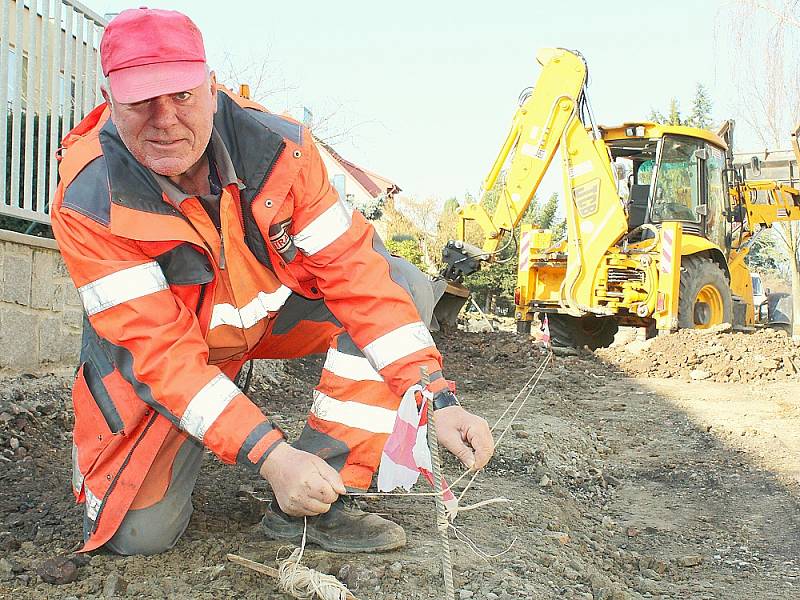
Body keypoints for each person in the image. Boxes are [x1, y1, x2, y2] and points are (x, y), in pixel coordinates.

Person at [51, 7, 494, 556]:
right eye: (142, 100)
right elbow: (163, 357)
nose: (164, 119)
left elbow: (359, 280)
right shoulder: (91, 199)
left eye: (182, 96)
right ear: (109, 98)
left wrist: (437, 397)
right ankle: (114, 453)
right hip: (168, 355)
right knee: (139, 537)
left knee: (400, 281)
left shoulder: (282, 152)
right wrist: (272, 455)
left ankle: (324, 496)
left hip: (263, 321)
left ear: (210, 89)